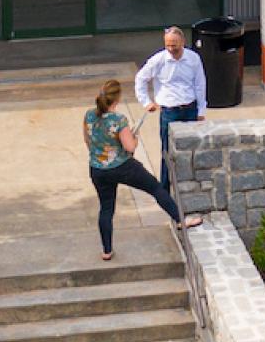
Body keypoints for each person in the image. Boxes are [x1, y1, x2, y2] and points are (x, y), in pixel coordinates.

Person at [84, 78, 200, 260]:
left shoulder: (89, 115)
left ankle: (106, 250)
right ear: (117, 99)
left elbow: (88, 141)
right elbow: (130, 147)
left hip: (97, 169)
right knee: (155, 187)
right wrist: (134, 137)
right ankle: (180, 219)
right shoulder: (118, 119)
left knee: (106, 208)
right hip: (122, 166)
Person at [135, 25, 206, 188]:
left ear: (183, 42)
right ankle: (165, 189)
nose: (171, 48)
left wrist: (201, 110)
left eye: (174, 44)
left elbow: (200, 84)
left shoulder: (193, 58)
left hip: (190, 109)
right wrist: (146, 102)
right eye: (168, 45)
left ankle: (189, 183)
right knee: (167, 151)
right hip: (169, 111)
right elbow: (141, 78)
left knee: (191, 148)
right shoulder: (158, 60)